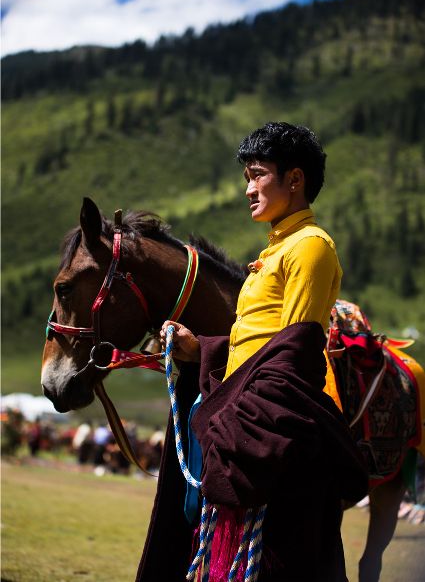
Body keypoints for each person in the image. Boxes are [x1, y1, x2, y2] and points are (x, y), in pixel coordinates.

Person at [136, 122, 368, 582]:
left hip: (271, 429)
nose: (248, 189)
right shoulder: (275, 250)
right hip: (249, 412)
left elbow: (292, 356)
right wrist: (201, 349)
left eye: (258, 174)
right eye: (247, 176)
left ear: (294, 179)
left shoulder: (310, 248)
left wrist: (246, 430)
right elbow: (259, 346)